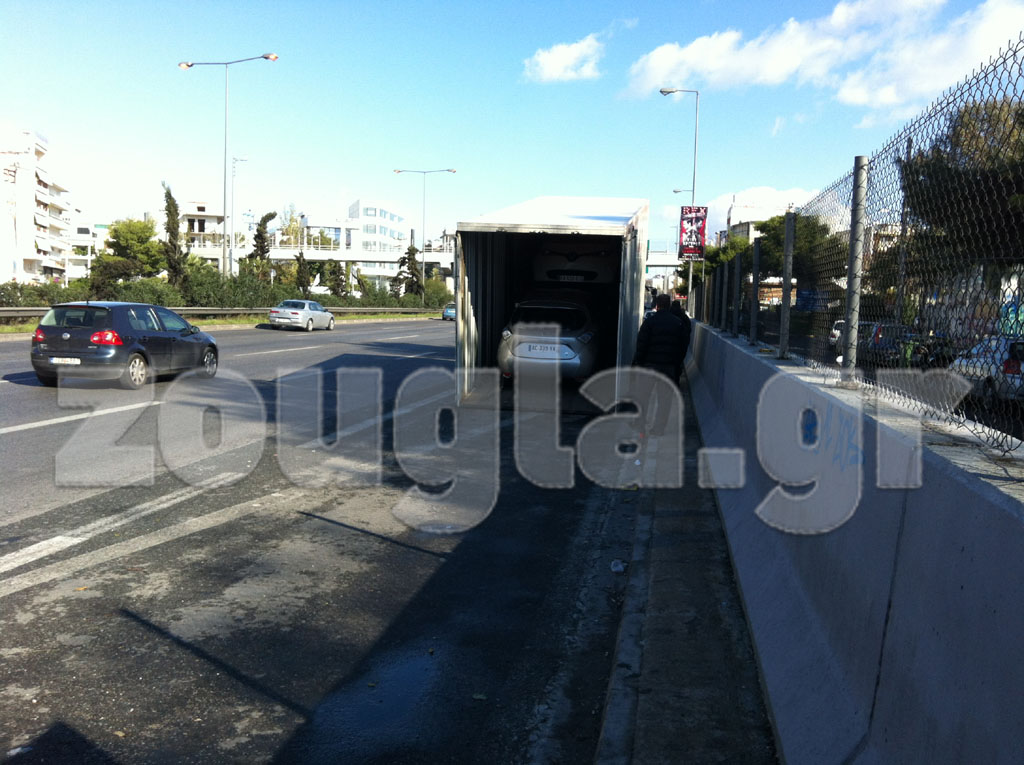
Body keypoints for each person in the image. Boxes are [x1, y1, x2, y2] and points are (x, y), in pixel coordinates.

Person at [633, 293, 690, 434]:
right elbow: (683, 346)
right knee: (664, 399)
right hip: (669, 367)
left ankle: (640, 424)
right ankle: (658, 428)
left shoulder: (650, 322)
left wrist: (638, 362)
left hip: (649, 365)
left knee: (643, 396)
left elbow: (641, 344)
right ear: (669, 305)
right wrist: (677, 363)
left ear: (657, 305)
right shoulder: (678, 323)